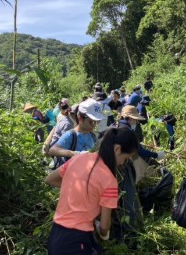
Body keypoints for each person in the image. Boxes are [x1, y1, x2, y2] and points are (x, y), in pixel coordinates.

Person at [45, 127, 139, 255]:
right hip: (77, 241)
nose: (124, 163)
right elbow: (104, 226)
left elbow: (50, 179)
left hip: (56, 234)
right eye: (126, 157)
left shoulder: (78, 159)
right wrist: (103, 232)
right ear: (117, 149)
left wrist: (78, 191)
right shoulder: (109, 180)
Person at [48, 98, 106, 168]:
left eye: (96, 121)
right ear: (80, 118)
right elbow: (52, 150)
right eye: (91, 121)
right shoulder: (71, 135)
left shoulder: (93, 136)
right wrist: (75, 153)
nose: (94, 125)